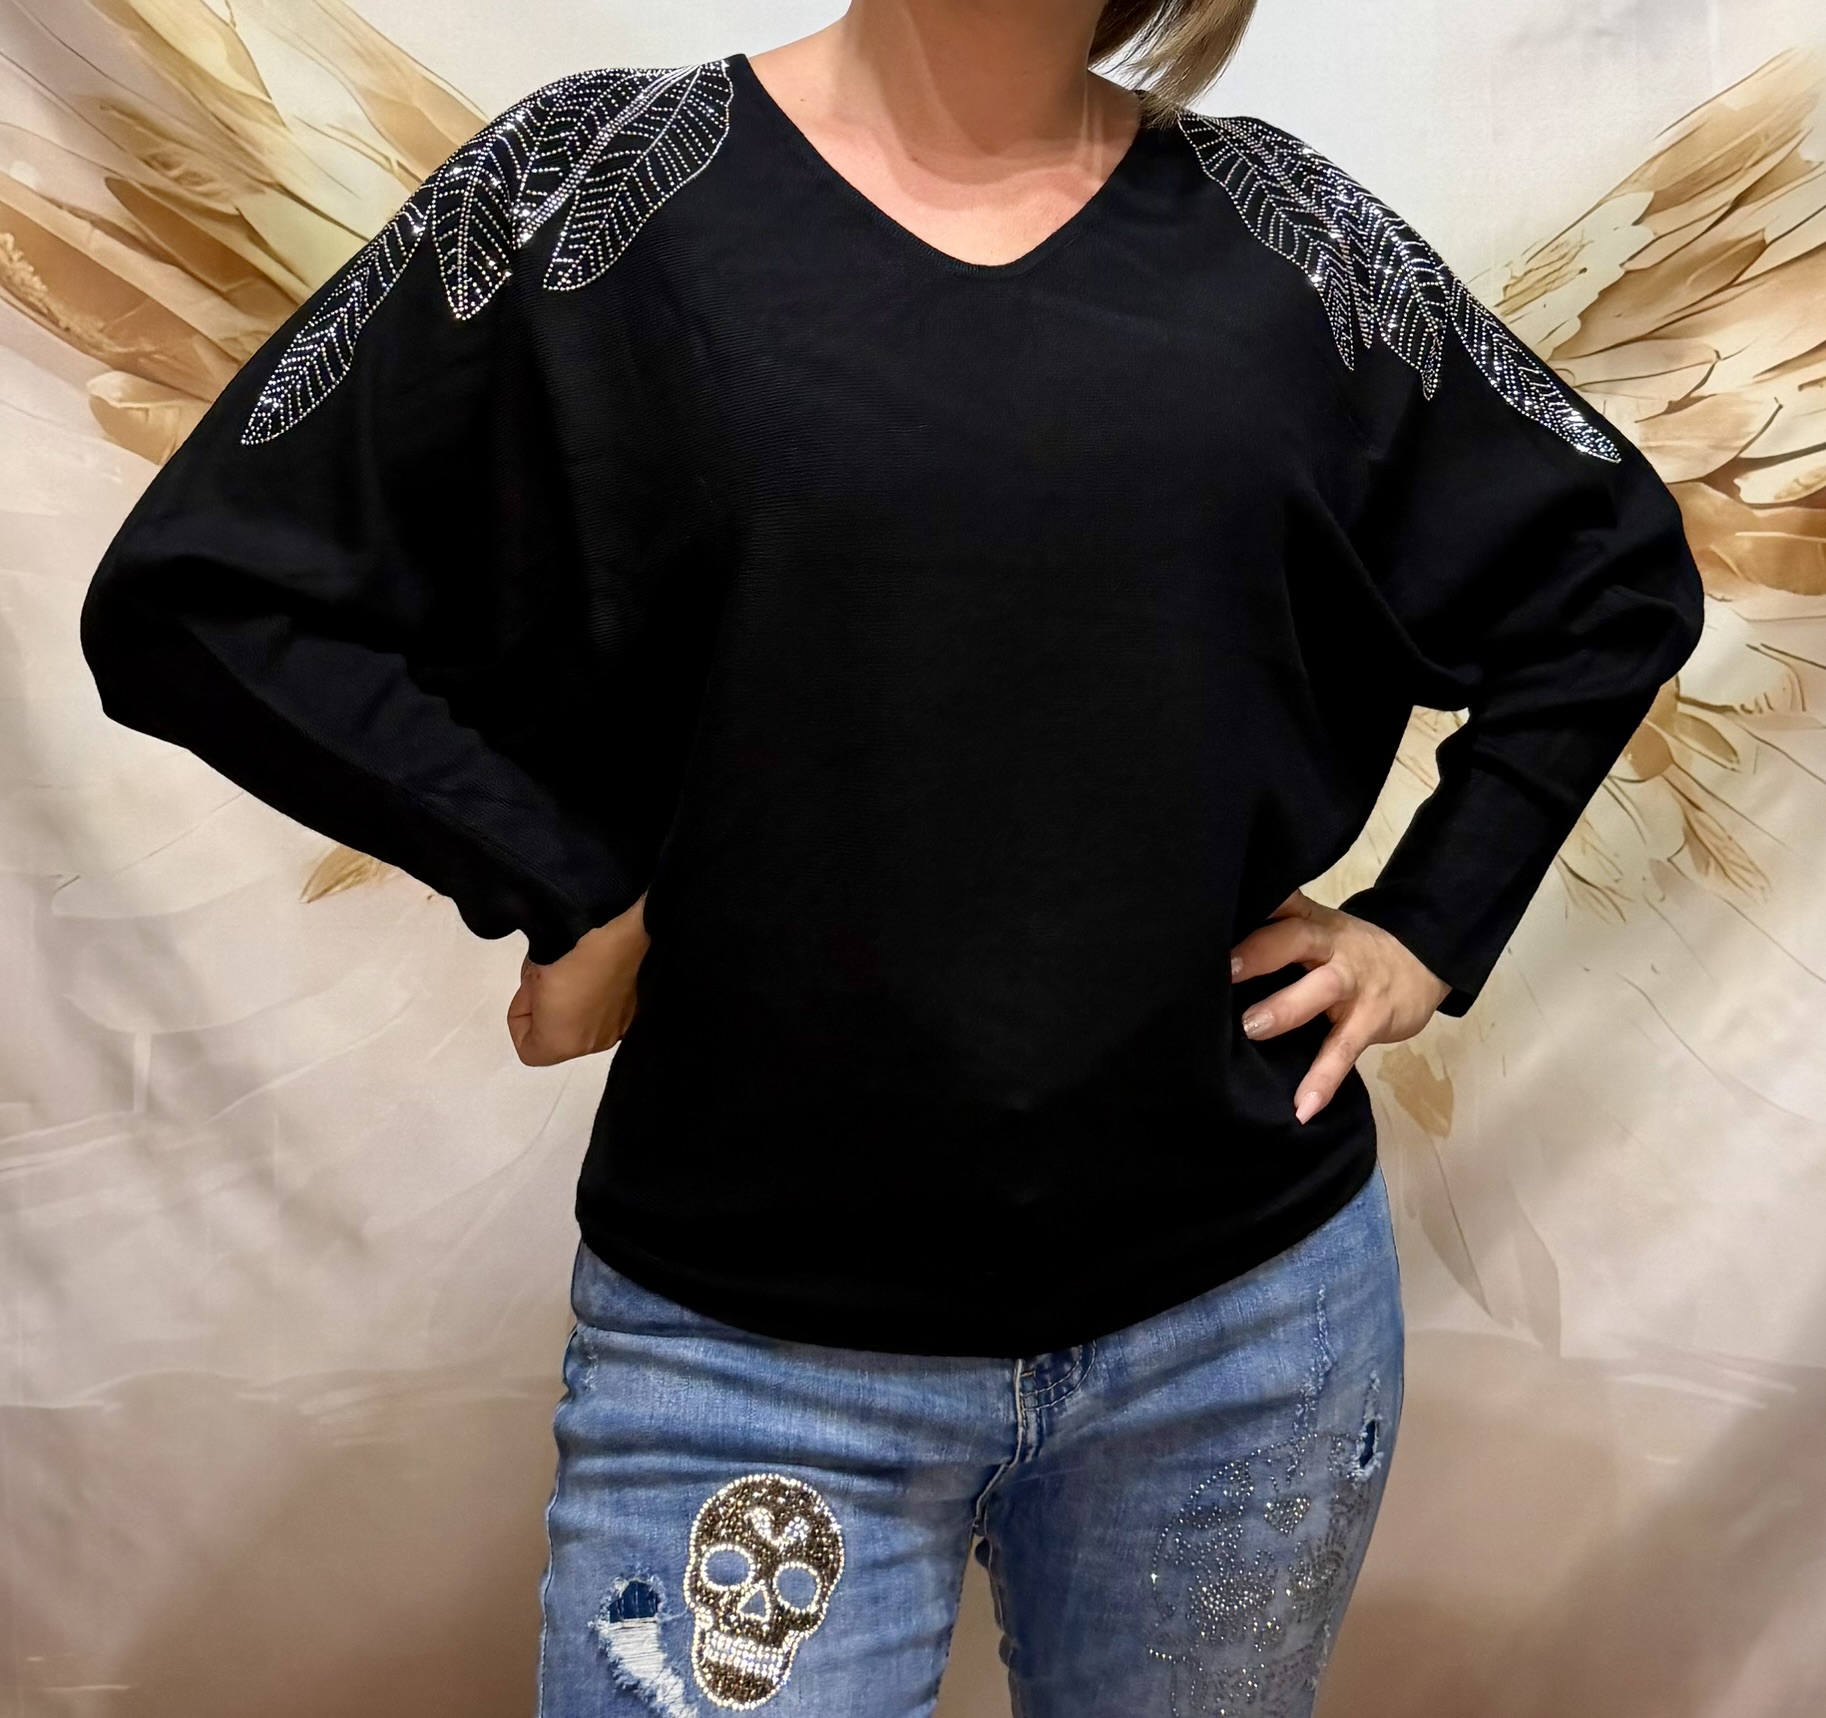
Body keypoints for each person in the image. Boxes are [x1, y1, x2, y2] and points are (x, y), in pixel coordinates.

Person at [78, 0, 1706, 1711]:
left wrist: (1430, 920)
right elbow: (207, 598)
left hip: (1240, 1330)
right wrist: (564, 878)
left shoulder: (1287, 238)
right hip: (745, 1345)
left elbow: (1602, 573)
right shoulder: (596, 192)